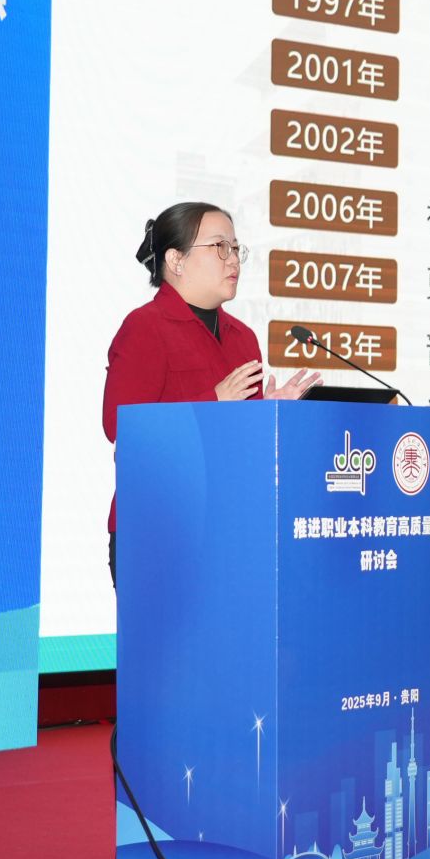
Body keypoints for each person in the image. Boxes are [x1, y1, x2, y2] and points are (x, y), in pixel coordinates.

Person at [102, 201, 320, 582]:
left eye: (235, 248)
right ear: (176, 260)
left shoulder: (243, 338)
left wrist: (268, 415)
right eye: (220, 247)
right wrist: (214, 401)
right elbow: (120, 426)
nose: (233, 259)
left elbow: (240, 444)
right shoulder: (145, 328)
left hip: (233, 529)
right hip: (158, 529)